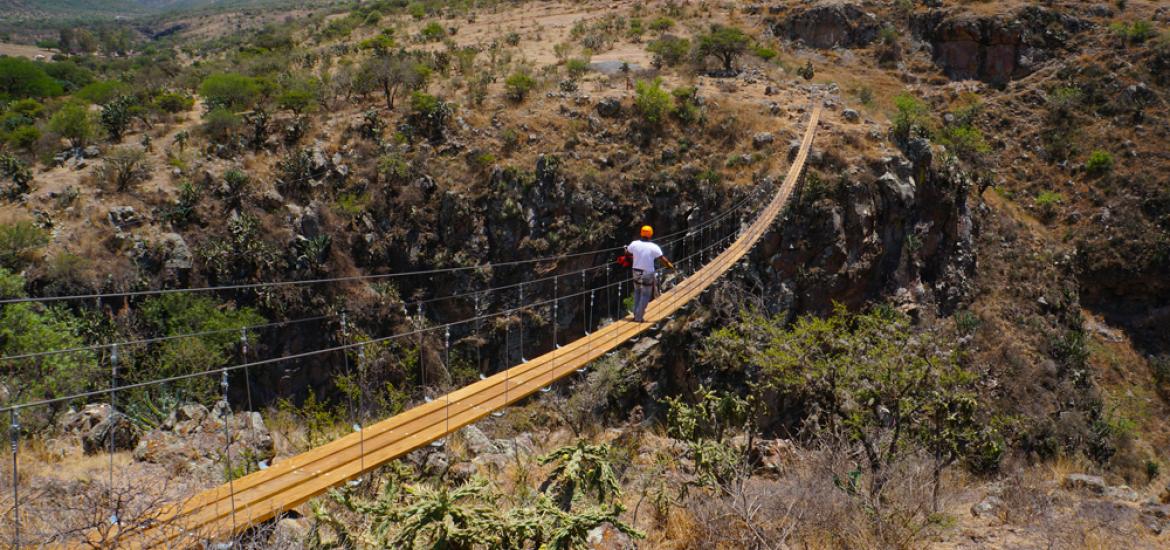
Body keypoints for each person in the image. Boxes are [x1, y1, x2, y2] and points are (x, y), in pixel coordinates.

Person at [626, 225, 675, 322]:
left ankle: (636, 314)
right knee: (645, 294)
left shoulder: (634, 244)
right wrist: (670, 266)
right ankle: (638, 317)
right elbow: (662, 259)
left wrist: (630, 253)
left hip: (636, 271)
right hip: (648, 273)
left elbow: (627, 253)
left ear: (641, 233)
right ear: (651, 235)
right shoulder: (654, 247)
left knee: (637, 292)